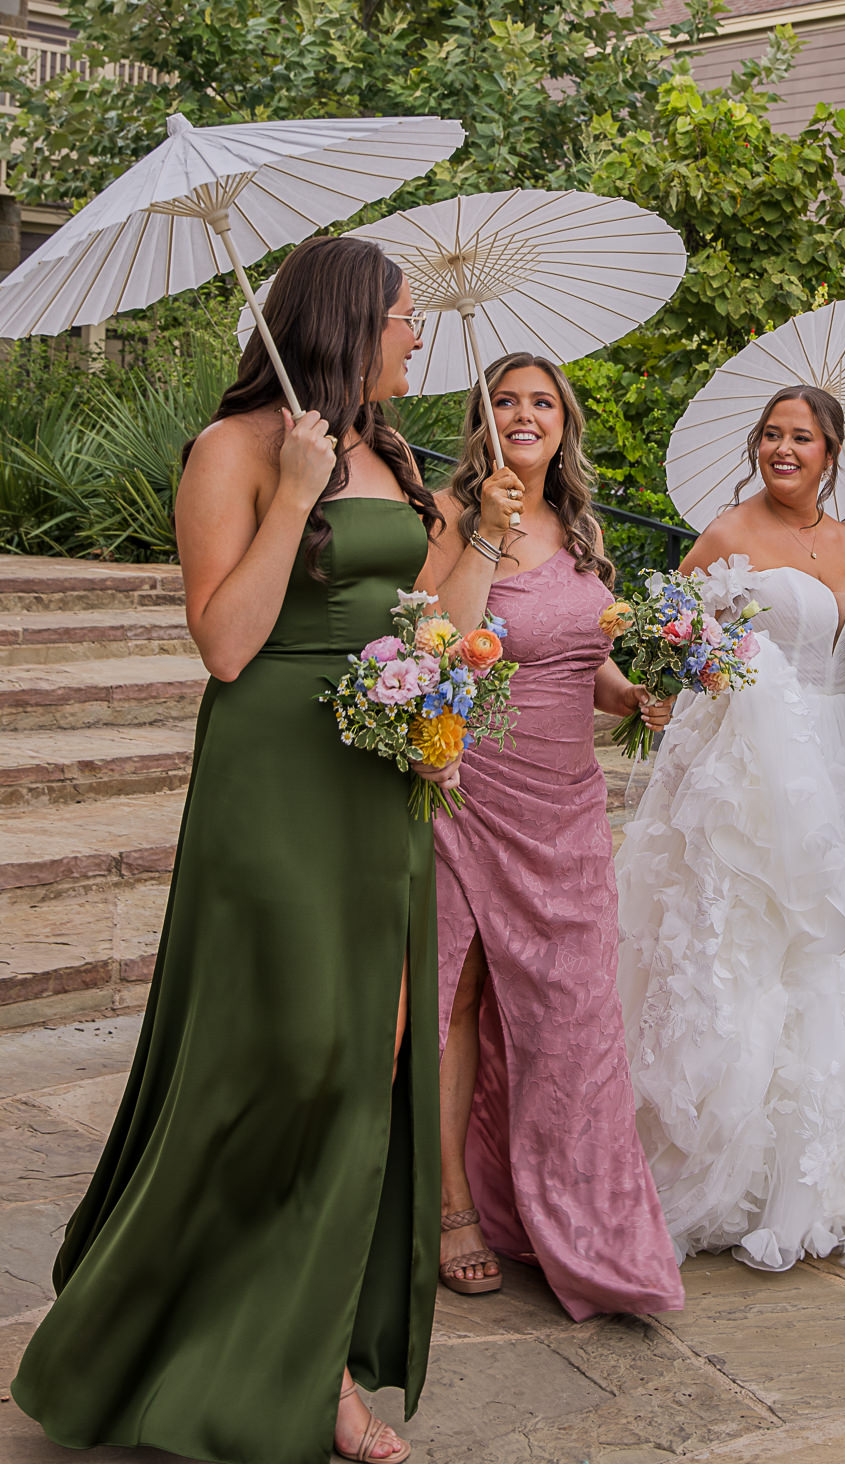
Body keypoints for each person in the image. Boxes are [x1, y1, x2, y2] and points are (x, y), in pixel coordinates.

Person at [13, 234, 459, 1464]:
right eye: (404, 317)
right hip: (274, 773)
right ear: (349, 321)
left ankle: (317, 1361)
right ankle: (158, 1333)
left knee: (368, 1059)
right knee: (289, 1055)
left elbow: (413, 615)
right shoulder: (236, 447)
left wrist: (442, 705)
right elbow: (223, 641)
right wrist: (299, 492)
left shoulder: (395, 450)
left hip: (382, 774)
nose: (416, 336)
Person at [616, 385, 845, 1273]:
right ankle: (725, 1161)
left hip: (836, 761)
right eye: (770, 435)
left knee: (832, 949)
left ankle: (823, 1171)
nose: (782, 449)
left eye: (800, 437)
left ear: (832, 453)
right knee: (748, 944)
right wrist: (672, 686)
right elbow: (667, 644)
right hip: (749, 778)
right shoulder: (727, 534)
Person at [424, 352, 683, 1320]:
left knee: (572, 1014)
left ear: (565, 423)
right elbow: (438, 644)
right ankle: (453, 1207)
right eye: (505, 400)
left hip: (568, 807)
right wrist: (486, 535)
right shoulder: (448, 515)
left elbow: (585, 660)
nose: (524, 414)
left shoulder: (579, 528)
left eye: (541, 401)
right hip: (473, 789)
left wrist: (635, 693)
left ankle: (569, 1213)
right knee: (459, 994)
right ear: (480, 419)